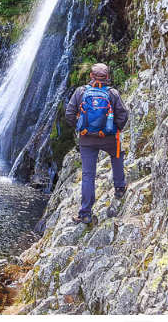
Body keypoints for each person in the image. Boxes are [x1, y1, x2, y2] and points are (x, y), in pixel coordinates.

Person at [64, 63, 129, 224]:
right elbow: (123, 115)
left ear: (91, 76)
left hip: (86, 140)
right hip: (109, 138)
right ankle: (120, 188)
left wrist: (80, 129)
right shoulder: (113, 93)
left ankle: (85, 213)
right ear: (107, 77)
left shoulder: (81, 92)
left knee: (88, 174)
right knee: (117, 155)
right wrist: (113, 129)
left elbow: (69, 114)